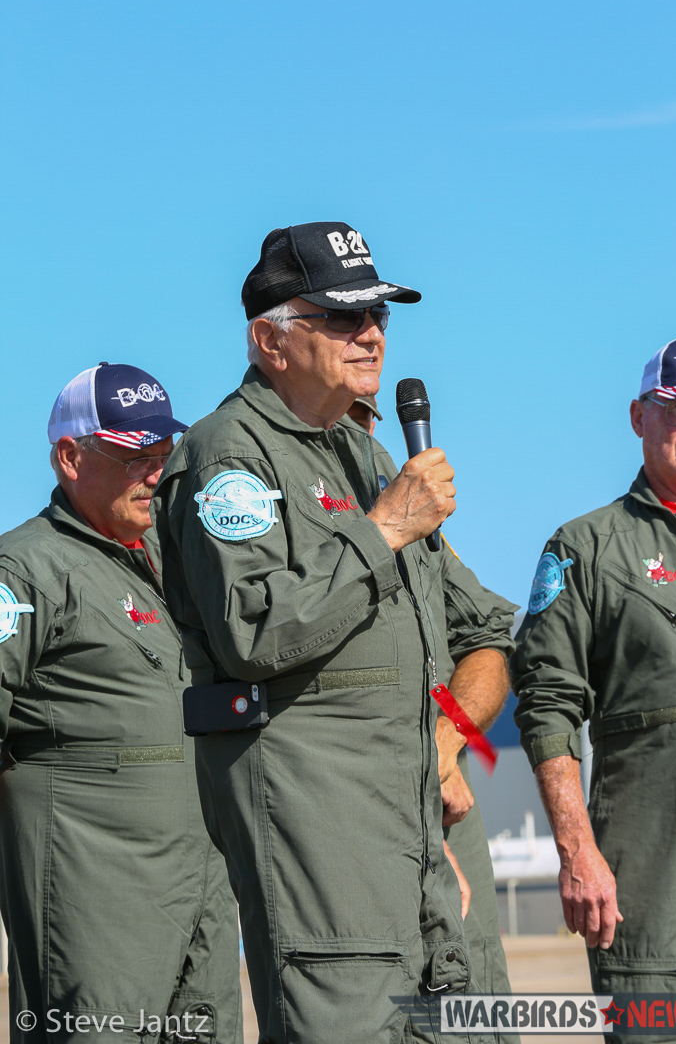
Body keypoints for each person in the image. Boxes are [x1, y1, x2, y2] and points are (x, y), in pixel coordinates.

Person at [152, 222, 485, 1044]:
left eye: (377, 314)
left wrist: (453, 736)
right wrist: (385, 531)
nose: (369, 333)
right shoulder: (227, 455)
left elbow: (473, 623)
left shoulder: (366, 456)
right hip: (318, 840)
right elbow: (253, 633)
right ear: (271, 339)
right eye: (340, 317)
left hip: (404, 838)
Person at [0, 362, 243, 1044]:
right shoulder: (23, 571)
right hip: (95, 902)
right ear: (69, 456)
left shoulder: (179, 563)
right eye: (133, 454)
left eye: (161, 455)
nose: (153, 473)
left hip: (199, 888)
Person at [512, 337, 676, 1028]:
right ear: (638, 417)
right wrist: (577, 851)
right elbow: (546, 706)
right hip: (656, 894)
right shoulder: (588, 549)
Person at [346, 393, 520, 1015]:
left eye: (367, 419)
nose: (356, 433)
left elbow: (488, 638)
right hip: (353, 806)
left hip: (444, 791)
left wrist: (445, 744)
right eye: (341, 417)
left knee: (476, 991)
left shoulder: (419, 529)